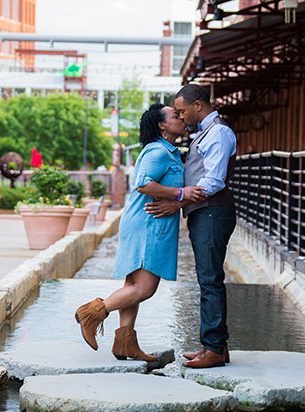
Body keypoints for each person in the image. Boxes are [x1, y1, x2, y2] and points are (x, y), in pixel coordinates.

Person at [74, 104, 207, 361]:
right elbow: (143, 183)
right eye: (174, 115)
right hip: (149, 226)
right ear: (161, 125)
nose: (180, 118)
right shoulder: (159, 151)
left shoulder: (165, 150)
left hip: (147, 224)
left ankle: (125, 344)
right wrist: (181, 194)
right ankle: (91, 313)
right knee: (144, 289)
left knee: (132, 286)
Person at [145, 84, 237, 369]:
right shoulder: (205, 133)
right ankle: (214, 346)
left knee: (210, 280)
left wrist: (177, 202)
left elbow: (214, 181)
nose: (181, 117)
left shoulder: (219, 133)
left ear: (198, 105)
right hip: (205, 212)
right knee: (207, 279)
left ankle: (213, 349)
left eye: (183, 111)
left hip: (213, 212)